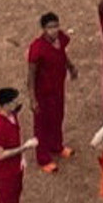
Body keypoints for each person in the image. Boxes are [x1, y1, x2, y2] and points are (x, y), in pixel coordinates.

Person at [25, 12, 76, 173]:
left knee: (58, 117)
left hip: (57, 88)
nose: (53, 30)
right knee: (42, 125)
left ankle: (56, 145)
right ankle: (43, 158)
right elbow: (31, 75)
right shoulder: (37, 48)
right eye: (49, 27)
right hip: (43, 92)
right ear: (43, 29)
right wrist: (33, 98)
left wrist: (70, 67)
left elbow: (62, 54)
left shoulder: (60, 39)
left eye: (55, 26)